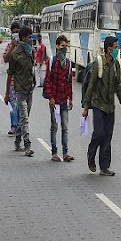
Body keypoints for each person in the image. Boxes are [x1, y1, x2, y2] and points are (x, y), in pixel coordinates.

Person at [82, 36, 121, 176]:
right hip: (97, 104)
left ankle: (104, 166)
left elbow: (118, 86)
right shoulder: (98, 63)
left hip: (110, 106)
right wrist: (85, 107)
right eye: (116, 47)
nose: (117, 49)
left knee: (108, 136)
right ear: (109, 49)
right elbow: (91, 85)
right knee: (99, 133)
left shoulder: (116, 64)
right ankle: (91, 156)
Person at [4, 25, 36, 156]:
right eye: (29, 37)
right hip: (19, 91)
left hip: (30, 90)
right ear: (23, 38)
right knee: (24, 118)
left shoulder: (31, 52)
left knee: (24, 118)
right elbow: (10, 75)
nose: (31, 39)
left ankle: (17, 140)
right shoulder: (15, 54)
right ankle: (27, 145)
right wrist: (7, 94)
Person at [44, 34, 74, 162]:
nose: (64, 49)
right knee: (54, 127)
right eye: (62, 46)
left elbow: (69, 82)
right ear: (57, 46)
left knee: (65, 127)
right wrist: (50, 98)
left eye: (66, 46)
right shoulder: (51, 61)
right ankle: (54, 152)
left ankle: (66, 152)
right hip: (54, 101)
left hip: (63, 100)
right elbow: (48, 81)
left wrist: (70, 98)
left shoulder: (68, 63)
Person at [4, 22, 21, 138]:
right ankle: (14, 126)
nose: (15, 34)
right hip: (12, 82)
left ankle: (20, 126)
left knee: (20, 106)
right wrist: (12, 47)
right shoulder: (9, 46)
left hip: (22, 82)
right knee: (13, 105)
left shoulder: (25, 46)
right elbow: (5, 59)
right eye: (14, 32)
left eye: (17, 32)